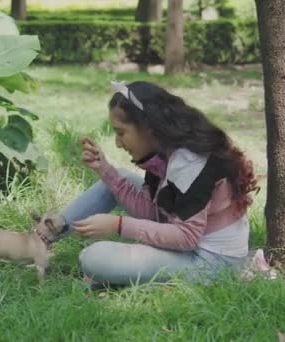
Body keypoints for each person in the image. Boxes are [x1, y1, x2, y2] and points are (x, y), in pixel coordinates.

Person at [56, 80, 258, 286]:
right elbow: (156, 214)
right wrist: (104, 170)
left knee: (93, 258)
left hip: (212, 262)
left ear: (148, 127)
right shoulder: (164, 151)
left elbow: (187, 238)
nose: (117, 143)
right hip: (190, 245)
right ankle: (46, 233)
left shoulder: (189, 162)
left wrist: (119, 225)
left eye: (121, 132)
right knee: (117, 178)